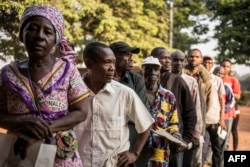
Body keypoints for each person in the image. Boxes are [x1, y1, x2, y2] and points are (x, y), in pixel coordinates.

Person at [0, 5, 90, 166]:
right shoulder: (7, 74)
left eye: (48, 32)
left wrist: (39, 132)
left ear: (55, 39)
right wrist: (23, 121)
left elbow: (81, 111)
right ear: (21, 35)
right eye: (32, 29)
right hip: (20, 155)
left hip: (61, 155)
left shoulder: (68, 70)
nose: (39, 36)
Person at [75, 42, 154, 167]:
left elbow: (146, 124)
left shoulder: (125, 93)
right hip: (79, 163)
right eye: (107, 63)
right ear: (89, 64)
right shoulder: (72, 93)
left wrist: (134, 153)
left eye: (113, 62)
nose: (112, 67)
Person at [151, 47, 197, 167]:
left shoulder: (178, 81)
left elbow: (190, 112)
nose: (167, 61)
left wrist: (186, 139)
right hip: (150, 142)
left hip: (174, 142)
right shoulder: (144, 82)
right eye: (163, 58)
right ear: (153, 60)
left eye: (168, 58)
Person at [110, 41, 150, 166]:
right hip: (108, 144)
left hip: (132, 142)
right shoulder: (102, 80)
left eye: (131, 54)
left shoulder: (136, 80)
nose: (131, 58)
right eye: (127, 54)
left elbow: (144, 117)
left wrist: (135, 152)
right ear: (113, 57)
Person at [141, 56, 181, 167]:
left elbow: (173, 123)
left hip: (159, 152)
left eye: (156, 69)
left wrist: (175, 136)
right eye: (148, 69)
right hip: (138, 151)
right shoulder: (135, 94)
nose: (152, 73)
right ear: (142, 72)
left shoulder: (168, 96)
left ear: (159, 72)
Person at [170, 50, 203, 167]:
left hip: (184, 131)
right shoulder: (164, 78)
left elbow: (196, 109)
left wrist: (195, 135)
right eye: (175, 60)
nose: (178, 63)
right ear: (170, 61)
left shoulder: (190, 81)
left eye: (181, 60)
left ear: (184, 62)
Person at [183, 48, 214, 167]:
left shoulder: (206, 79)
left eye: (197, 57)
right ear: (187, 57)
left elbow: (209, 100)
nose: (194, 59)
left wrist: (201, 114)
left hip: (199, 117)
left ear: (201, 59)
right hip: (183, 116)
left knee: (197, 147)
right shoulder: (181, 74)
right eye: (191, 56)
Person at [202, 56, 226, 167]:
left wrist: (222, 119)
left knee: (217, 148)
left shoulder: (217, 80)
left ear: (212, 65)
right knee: (203, 147)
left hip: (214, 120)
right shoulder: (197, 78)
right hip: (201, 120)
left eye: (210, 62)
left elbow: (222, 101)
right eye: (205, 62)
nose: (207, 64)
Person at [220, 58, 241, 166]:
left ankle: (225, 161)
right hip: (215, 114)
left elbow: (237, 96)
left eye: (227, 66)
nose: (224, 68)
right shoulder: (215, 78)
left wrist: (229, 92)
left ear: (230, 68)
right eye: (223, 65)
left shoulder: (233, 80)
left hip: (228, 113)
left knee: (225, 138)